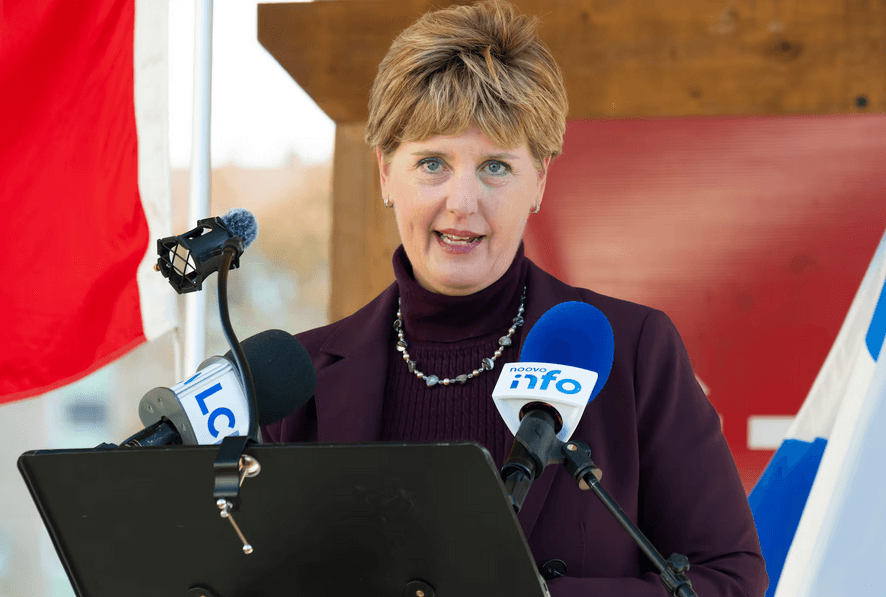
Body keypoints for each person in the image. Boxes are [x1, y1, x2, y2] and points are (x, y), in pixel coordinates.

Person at [263, 1, 767, 595]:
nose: (461, 202)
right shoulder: (301, 381)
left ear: (540, 181)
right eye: (432, 163)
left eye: (496, 167)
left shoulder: (635, 352)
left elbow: (729, 579)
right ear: (384, 174)